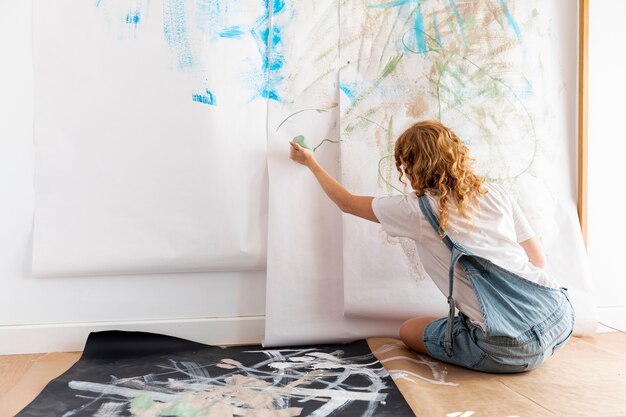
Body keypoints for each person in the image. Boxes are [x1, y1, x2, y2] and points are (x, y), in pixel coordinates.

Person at [289, 119, 575, 373]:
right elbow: (537, 260)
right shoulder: (495, 192)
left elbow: (347, 203)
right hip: (559, 318)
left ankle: (486, 332)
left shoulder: (416, 210)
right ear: (457, 153)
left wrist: (311, 162)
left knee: (408, 330)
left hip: (510, 350)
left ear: (411, 166)